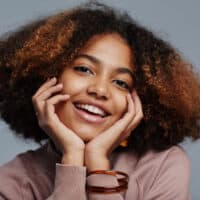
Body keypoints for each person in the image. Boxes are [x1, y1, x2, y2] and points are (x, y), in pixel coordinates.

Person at [0, 2, 200, 200]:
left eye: (121, 82)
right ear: (47, 75)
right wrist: (72, 160)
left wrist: (98, 164)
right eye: (84, 69)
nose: (100, 90)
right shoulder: (11, 184)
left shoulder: (163, 165)